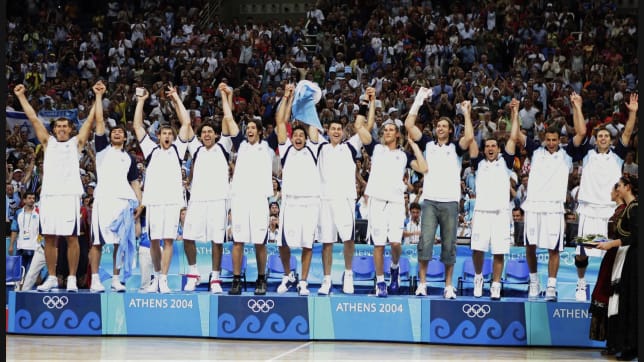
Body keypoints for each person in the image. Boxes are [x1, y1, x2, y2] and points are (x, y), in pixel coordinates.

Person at [14, 83, 95, 292]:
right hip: (49, 196)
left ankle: (70, 279)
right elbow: (33, 118)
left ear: (70, 129)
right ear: (53, 129)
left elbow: (90, 121)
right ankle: (51, 277)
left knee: (71, 237)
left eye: (64, 126)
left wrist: (97, 97)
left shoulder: (76, 143)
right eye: (58, 126)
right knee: (49, 237)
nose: (61, 129)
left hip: (69, 196)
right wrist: (22, 96)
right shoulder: (47, 142)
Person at [405, 87, 475, 299]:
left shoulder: (456, 148)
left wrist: (467, 113)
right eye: (438, 125)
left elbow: (470, 137)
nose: (441, 128)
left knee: (448, 245)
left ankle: (448, 286)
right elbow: (408, 125)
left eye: (445, 126)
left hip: (450, 202)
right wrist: (418, 99)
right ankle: (423, 284)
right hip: (430, 201)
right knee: (425, 243)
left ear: (451, 130)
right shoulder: (427, 144)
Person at [571, 92, 637, 301]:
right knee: (582, 251)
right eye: (600, 136)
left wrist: (633, 112)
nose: (603, 138)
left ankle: (614, 287)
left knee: (614, 252)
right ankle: (581, 285)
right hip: (589, 209)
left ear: (610, 140)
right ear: (596, 139)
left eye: (606, 136)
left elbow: (627, 132)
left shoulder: (617, 155)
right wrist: (577, 107)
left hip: (610, 210)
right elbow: (579, 131)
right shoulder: (587, 154)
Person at [514, 103, 583, 302]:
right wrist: (514, 111)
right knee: (530, 246)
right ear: (544, 139)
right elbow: (517, 135)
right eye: (548, 139)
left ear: (559, 140)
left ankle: (551, 287)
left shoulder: (567, 153)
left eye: (554, 140)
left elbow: (581, 132)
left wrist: (576, 107)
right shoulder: (535, 150)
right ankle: (534, 282)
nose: (551, 143)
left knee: (554, 248)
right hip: (534, 205)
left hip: (554, 208)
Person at [314, 87, 373, 295]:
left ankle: (348, 275)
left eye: (340, 129)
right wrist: (309, 99)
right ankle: (327, 279)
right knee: (327, 242)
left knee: (348, 239)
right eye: (333, 129)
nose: (336, 132)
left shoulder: (351, 147)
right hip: (325, 200)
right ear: (328, 131)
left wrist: (366, 103)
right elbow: (311, 129)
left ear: (344, 132)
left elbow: (366, 127)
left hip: (345, 199)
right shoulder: (320, 146)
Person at [133, 85, 192, 293]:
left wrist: (176, 97)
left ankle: (164, 280)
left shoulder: (178, 149)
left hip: (173, 201)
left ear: (172, 136)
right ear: (158, 136)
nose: (167, 135)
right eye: (163, 133)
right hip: (154, 202)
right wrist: (141, 101)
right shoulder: (151, 150)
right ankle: (156, 278)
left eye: (169, 133)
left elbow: (186, 122)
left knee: (168, 240)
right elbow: (137, 126)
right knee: (154, 240)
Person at [182, 83, 239, 294]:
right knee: (188, 237)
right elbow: (185, 123)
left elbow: (228, 119)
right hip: (197, 200)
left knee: (217, 239)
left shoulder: (223, 148)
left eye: (210, 132)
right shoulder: (195, 149)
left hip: (218, 200)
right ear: (200, 136)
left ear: (216, 135)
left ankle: (215, 278)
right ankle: (194, 273)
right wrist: (177, 100)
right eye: (203, 132)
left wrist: (226, 95)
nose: (207, 134)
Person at [88, 80, 143, 293]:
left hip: (123, 204)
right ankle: (94, 279)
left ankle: (116, 278)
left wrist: (140, 203)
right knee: (98, 242)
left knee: (120, 243)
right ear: (110, 137)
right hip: (103, 201)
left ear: (126, 138)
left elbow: (135, 182)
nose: (117, 133)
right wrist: (99, 96)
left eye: (121, 132)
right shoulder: (102, 150)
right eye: (114, 132)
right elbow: (99, 120)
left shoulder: (129, 158)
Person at [364, 118, 427, 297]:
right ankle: (381, 282)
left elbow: (423, 167)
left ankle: (394, 266)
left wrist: (413, 145)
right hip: (377, 201)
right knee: (378, 244)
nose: (388, 132)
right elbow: (360, 127)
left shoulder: (403, 155)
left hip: (396, 202)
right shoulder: (376, 149)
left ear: (397, 134)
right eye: (386, 130)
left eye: (392, 130)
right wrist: (368, 102)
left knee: (395, 243)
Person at [467, 98, 521, 300]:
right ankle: (479, 277)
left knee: (499, 251)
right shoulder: (479, 162)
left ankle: (496, 284)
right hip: (481, 212)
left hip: (500, 213)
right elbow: (470, 139)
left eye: (493, 146)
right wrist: (467, 113)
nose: (490, 148)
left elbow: (514, 138)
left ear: (498, 149)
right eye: (487, 146)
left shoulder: (505, 162)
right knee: (477, 249)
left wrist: (515, 113)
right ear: (484, 149)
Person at [273, 82, 323, 296]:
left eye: (301, 136)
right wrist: (288, 97)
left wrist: (309, 100)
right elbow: (280, 122)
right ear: (292, 138)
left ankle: (303, 280)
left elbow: (312, 125)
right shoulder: (285, 150)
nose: (299, 138)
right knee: (283, 244)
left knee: (307, 245)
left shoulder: (313, 149)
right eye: (296, 136)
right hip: (290, 202)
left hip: (310, 202)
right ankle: (287, 275)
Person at [228, 90, 276, 296]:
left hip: (258, 199)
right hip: (240, 199)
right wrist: (226, 97)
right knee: (237, 241)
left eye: (253, 128)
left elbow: (281, 123)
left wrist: (287, 99)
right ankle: (237, 280)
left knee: (259, 242)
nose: (249, 130)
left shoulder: (267, 147)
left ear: (260, 131)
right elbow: (229, 119)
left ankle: (261, 279)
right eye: (247, 127)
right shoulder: (241, 146)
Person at [595, 175, 638, 361]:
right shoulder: (629, 208)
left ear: (627, 187)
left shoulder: (635, 208)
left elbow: (636, 237)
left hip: (633, 258)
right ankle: (627, 345)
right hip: (627, 257)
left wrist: (611, 244)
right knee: (625, 301)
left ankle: (631, 347)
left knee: (630, 302)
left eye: (619, 186)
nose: (617, 189)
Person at [588, 182, 626, 355]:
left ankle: (615, 342)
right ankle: (610, 341)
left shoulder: (624, 211)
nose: (610, 192)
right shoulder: (617, 211)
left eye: (613, 189)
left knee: (610, 296)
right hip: (610, 256)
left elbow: (621, 238)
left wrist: (606, 244)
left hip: (617, 257)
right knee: (605, 295)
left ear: (619, 192)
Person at [9, 191, 41, 288]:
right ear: (24, 200)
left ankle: (34, 294)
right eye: (30, 198)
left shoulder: (39, 212)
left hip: (35, 247)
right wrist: (11, 245)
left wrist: (39, 243)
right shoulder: (18, 213)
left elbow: (42, 231)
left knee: (35, 274)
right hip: (21, 247)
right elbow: (14, 230)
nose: (32, 200)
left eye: (33, 198)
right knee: (19, 272)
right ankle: (19, 291)